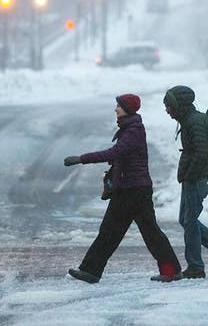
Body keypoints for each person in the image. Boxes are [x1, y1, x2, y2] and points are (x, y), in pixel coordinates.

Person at [63, 93, 182, 284]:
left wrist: (81, 158)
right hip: (135, 189)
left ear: (126, 109)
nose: (115, 109)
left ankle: (90, 270)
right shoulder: (131, 129)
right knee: (148, 233)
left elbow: (115, 152)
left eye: (118, 106)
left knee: (111, 231)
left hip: (131, 191)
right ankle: (171, 271)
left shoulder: (133, 131)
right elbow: (121, 155)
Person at [163, 85, 208, 279]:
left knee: (190, 221)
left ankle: (196, 266)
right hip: (195, 177)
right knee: (186, 220)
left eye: (169, 105)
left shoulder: (194, 122)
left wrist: (189, 175)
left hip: (198, 178)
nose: (167, 110)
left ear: (179, 104)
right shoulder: (188, 120)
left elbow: (201, 154)